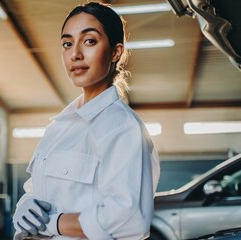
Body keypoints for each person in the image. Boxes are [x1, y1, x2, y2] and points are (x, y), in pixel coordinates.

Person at [12, 1, 160, 239]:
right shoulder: (58, 128)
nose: (75, 54)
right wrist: (25, 205)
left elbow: (130, 219)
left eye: (89, 41)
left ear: (116, 52)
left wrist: (54, 224)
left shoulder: (123, 127)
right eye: (67, 43)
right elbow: (42, 188)